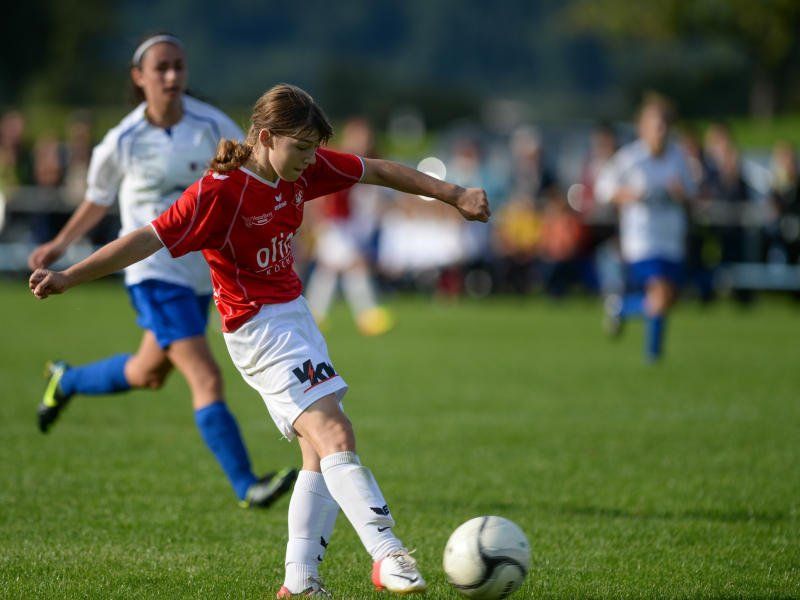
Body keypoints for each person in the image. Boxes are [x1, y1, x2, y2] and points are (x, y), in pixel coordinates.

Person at [29, 83, 490, 597]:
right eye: (301, 149)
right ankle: (387, 553)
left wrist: (454, 194)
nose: (310, 160)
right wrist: (69, 275)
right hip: (258, 330)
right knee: (335, 434)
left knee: (318, 453)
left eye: (314, 149)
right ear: (266, 137)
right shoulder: (218, 193)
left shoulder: (300, 166)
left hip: (296, 317)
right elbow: (145, 238)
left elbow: (377, 170)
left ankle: (300, 582)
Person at [26, 33, 296, 509]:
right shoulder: (123, 140)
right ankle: (247, 485)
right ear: (139, 77)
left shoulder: (211, 124)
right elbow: (97, 200)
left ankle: (65, 381)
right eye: (161, 68)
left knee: (147, 372)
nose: (172, 76)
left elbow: (250, 174)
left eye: (179, 67)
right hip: (152, 273)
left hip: (201, 275)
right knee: (205, 377)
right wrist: (60, 245)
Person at [596, 93, 697, 362]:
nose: (661, 131)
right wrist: (631, 195)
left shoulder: (678, 157)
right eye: (656, 126)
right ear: (643, 128)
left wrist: (681, 194)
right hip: (642, 241)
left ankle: (620, 308)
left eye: (664, 125)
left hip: (671, 239)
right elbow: (603, 189)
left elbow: (692, 192)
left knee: (667, 299)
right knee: (659, 294)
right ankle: (653, 358)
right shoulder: (631, 158)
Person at [304, 117, 393, 335]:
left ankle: (314, 314)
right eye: (358, 137)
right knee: (354, 266)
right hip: (335, 224)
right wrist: (317, 222)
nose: (363, 142)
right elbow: (321, 195)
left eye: (366, 138)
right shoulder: (337, 158)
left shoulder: (369, 162)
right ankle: (368, 314)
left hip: (352, 226)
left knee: (330, 269)